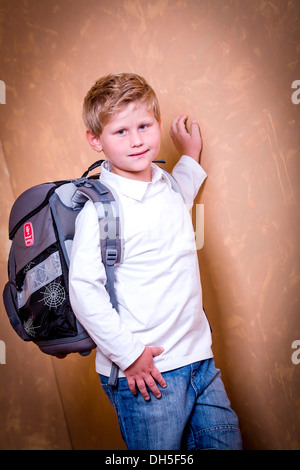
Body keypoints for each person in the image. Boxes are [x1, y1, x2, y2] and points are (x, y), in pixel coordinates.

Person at [69, 73, 242, 450]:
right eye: (121, 132)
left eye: (145, 126)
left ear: (158, 126)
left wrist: (191, 156)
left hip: (199, 359)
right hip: (147, 374)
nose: (136, 140)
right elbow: (83, 290)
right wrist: (130, 357)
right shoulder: (100, 211)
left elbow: (177, 197)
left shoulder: (163, 182)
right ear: (95, 139)